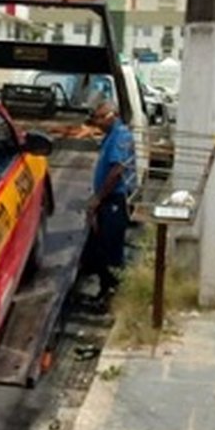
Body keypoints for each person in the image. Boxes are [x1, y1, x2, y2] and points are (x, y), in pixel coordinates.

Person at [81, 101, 136, 310]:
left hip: (114, 201)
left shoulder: (120, 136)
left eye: (98, 118)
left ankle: (111, 298)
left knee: (111, 249)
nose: (96, 123)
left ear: (111, 115)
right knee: (101, 249)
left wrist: (98, 198)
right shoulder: (110, 136)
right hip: (107, 201)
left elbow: (117, 170)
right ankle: (104, 292)